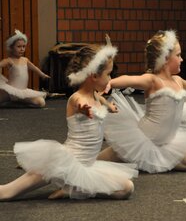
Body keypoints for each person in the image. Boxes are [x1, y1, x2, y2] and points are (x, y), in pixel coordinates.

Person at [0, 36, 138, 201]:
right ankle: (71, 185)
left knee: (126, 188)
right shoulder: (77, 98)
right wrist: (83, 111)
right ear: (93, 75)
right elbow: (79, 104)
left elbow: (99, 99)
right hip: (66, 161)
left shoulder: (95, 94)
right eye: (108, 74)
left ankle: (73, 187)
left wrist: (109, 107)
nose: (110, 79)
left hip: (87, 166)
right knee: (7, 192)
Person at [97, 30, 186, 173]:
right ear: (166, 58)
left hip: (167, 142)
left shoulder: (178, 81)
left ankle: (150, 160)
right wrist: (111, 83)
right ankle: (95, 162)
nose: (182, 59)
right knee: (101, 161)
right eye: (178, 55)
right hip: (142, 139)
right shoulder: (153, 80)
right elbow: (131, 79)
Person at [0, 30, 50, 107]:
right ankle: (12, 103)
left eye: (24, 46)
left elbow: (35, 68)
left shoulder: (25, 60)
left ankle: (16, 104)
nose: (22, 49)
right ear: (11, 48)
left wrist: (42, 75)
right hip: (11, 91)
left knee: (41, 102)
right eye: (19, 46)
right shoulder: (9, 60)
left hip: (23, 91)